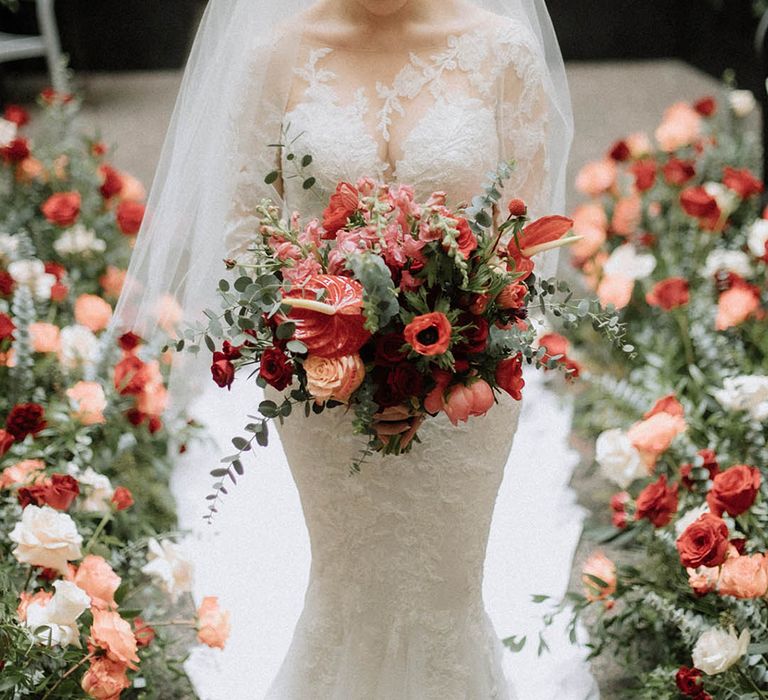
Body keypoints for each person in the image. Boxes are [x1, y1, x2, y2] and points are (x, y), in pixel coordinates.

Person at [113, 0, 597, 697]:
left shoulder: (502, 52)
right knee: (350, 584)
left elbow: (519, 249)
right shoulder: (275, 56)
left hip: (466, 380)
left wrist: (446, 361)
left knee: (445, 591)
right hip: (318, 379)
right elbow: (245, 237)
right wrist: (327, 354)